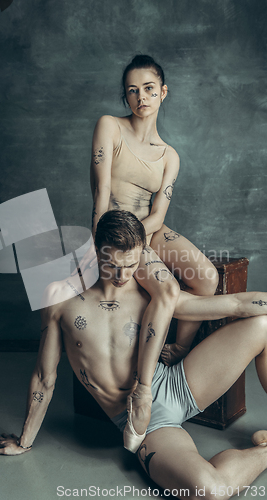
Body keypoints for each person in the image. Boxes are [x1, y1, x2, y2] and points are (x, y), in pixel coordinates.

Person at [0, 211, 267, 498]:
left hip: (179, 382)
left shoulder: (150, 295)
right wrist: (24, 441)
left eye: (131, 264)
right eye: (112, 265)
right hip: (145, 421)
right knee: (210, 490)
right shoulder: (60, 300)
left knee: (264, 324)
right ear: (96, 251)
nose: (122, 276)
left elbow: (235, 305)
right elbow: (44, 377)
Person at [89, 54, 219, 442]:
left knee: (208, 277)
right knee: (167, 289)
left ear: (163, 92)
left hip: (147, 228)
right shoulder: (109, 126)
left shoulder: (169, 156)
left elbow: (158, 214)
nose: (140, 97)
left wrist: (140, 237)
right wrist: (105, 244)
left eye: (148, 89)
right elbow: (101, 193)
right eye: (132, 91)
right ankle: (143, 392)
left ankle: (178, 348)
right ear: (126, 97)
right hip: (113, 227)